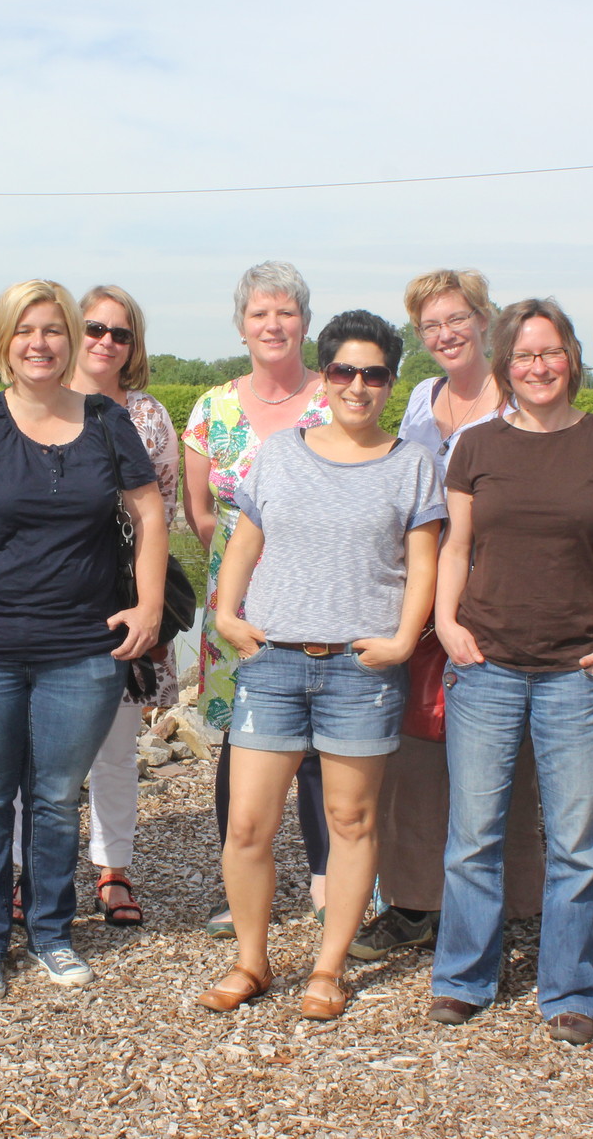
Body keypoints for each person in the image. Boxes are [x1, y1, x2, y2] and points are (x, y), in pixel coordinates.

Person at [0, 279, 167, 1002]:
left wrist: (147, 605)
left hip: (81, 649)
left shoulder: (109, 421)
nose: (40, 343)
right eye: (26, 330)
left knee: (53, 798)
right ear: (4, 343)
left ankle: (51, 930)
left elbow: (149, 514)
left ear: (71, 341)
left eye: (53, 329)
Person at [198, 312, 443, 1020]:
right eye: (344, 370)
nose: (357, 385)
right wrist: (225, 612)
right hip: (272, 660)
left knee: (351, 819)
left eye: (373, 373)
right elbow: (245, 539)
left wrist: (403, 639)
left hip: (359, 669)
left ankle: (329, 966)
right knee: (247, 822)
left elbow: (422, 563)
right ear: (325, 374)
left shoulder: (412, 463)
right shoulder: (279, 451)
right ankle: (251, 960)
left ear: (390, 382)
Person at [428, 298, 593, 1046]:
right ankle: (463, 977)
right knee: (474, 833)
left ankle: (572, 987)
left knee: (577, 840)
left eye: (550, 352)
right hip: (485, 661)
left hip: (579, 667)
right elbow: (455, 548)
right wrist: (446, 622)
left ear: (570, 360)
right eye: (523, 357)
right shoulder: (475, 446)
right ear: (505, 367)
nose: (538, 367)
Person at [354, 269, 545, 961]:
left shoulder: (518, 396)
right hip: (416, 592)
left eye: (456, 318)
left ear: (484, 318)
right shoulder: (417, 400)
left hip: (496, 592)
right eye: (431, 324)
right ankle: (412, 900)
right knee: (414, 755)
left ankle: (519, 900)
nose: (445, 334)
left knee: (504, 753)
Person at [181, 261, 332, 936]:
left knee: (325, 749)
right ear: (241, 324)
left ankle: (333, 889)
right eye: (259, 313)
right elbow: (202, 515)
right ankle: (242, 889)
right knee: (242, 744)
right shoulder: (212, 409)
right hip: (237, 607)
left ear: (305, 320)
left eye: (286, 312)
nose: (273, 324)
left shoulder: (338, 397)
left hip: (325, 599)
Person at [63, 284, 180, 926]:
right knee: (37, 749)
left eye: (120, 333)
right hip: (52, 595)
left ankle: (114, 868)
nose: (105, 341)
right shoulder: (39, 403)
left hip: (123, 599)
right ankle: (32, 871)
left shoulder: (149, 417)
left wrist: (152, 607)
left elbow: (162, 512)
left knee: (114, 747)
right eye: (94, 328)